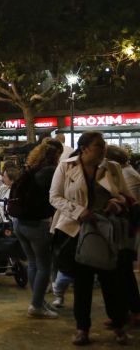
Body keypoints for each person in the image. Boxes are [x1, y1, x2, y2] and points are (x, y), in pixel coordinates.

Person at [49, 131, 131, 345]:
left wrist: (117, 203)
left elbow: (124, 195)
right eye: (98, 145)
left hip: (106, 230)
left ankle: (118, 325)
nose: (103, 149)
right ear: (84, 148)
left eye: (103, 145)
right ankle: (82, 329)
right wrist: (78, 211)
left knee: (111, 281)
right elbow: (54, 197)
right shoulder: (66, 167)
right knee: (82, 284)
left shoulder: (112, 168)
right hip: (76, 231)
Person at [12, 140, 63, 319]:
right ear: (55, 155)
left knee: (33, 263)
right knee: (44, 267)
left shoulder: (30, 169)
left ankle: (38, 300)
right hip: (36, 225)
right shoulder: (49, 171)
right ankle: (36, 305)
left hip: (19, 223)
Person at [105, 145, 140, 326]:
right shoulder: (128, 172)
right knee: (123, 272)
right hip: (124, 230)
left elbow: (129, 204)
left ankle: (130, 311)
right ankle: (128, 310)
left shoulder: (125, 175)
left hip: (124, 230)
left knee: (122, 272)